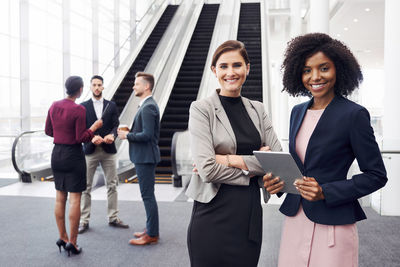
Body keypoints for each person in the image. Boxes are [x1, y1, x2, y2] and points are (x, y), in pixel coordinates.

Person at [264, 33, 388, 267]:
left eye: (323, 68)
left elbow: (377, 176)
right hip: (296, 218)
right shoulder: (297, 112)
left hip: (333, 222)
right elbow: (300, 165)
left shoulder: (354, 115)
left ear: (338, 69)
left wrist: (326, 191)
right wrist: (278, 184)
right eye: (307, 70)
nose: (315, 77)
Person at [186, 40, 282, 267]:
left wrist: (229, 159)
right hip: (212, 213)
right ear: (214, 70)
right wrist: (255, 166)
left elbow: (277, 160)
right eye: (223, 66)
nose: (231, 72)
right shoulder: (201, 109)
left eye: (237, 65)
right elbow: (207, 170)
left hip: (248, 214)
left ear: (247, 68)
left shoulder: (257, 109)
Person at [45, 76, 103, 256]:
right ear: (79, 90)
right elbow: (80, 137)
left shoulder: (54, 105)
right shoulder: (79, 109)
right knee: (75, 199)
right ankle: (73, 242)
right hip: (73, 156)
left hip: (57, 154)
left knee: (59, 197)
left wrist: (62, 134)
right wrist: (93, 128)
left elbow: (48, 130)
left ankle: (62, 237)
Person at [78, 75, 129, 234]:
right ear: (90, 87)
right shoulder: (83, 106)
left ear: (103, 87)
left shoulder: (111, 105)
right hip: (90, 150)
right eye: (94, 85)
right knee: (85, 187)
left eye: (99, 85)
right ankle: (83, 220)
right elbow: (82, 129)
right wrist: (92, 137)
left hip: (108, 150)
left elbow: (116, 125)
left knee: (112, 185)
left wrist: (112, 136)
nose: (97, 87)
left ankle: (113, 217)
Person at [118, 72, 161, 246]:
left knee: (148, 196)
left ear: (146, 86)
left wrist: (128, 135)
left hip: (145, 157)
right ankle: (150, 229)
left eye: (136, 84)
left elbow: (148, 135)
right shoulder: (146, 105)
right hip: (144, 156)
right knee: (148, 195)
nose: (133, 87)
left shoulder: (148, 106)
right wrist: (131, 131)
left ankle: (152, 234)